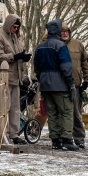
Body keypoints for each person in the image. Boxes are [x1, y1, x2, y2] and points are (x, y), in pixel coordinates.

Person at [34, 19, 79, 151]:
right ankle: (66, 139)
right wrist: (70, 83)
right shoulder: (61, 46)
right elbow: (66, 67)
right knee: (66, 111)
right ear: (58, 31)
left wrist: (41, 79)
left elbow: (37, 67)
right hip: (60, 85)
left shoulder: (40, 47)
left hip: (45, 85)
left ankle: (55, 140)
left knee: (52, 113)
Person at [0, 13, 31, 144]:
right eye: (14, 27)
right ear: (9, 25)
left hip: (16, 77)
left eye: (17, 27)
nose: (16, 29)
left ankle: (14, 133)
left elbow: (18, 54)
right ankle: (3, 132)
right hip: (4, 78)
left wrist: (23, 57)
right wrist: (15, 57)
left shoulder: (15, 38)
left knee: (15, 108)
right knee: (4, 107)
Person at [60, 25, 88, 149]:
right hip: (60, 85)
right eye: (62, 32)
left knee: (76, 113)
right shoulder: (56, 45)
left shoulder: (78, 44)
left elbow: (85, 63)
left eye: (66, 31)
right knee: (62, 113)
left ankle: (79, 138)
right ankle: (63, 137)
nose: (65, 34)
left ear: (70, 32)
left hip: (76, 84)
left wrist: (86, 80)